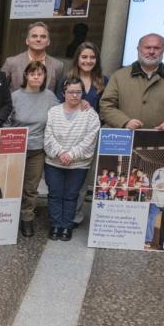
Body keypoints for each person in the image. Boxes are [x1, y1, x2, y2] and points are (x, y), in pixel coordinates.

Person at [99, 33, 164, 132]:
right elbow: (106, 105)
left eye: (157, 48)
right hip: (124, 138)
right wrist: (124, 122)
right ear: (138, 49)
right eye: (147, 47)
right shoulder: (119, 76)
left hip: (161, 139)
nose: (151, 51)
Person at [44, 76, 101, 240]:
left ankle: (66, 226)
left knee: (71, 195)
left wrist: (71, 154)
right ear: (64, 93)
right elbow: (48, 136)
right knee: (54, 194)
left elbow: (90, 139)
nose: (75, 95)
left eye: (78, 92)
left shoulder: (91, 115)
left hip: (78, 164)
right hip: (54, 162)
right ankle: (55, 225)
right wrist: (61, 153)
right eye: (71, 92)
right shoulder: (53, 112)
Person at [10, 62, 60, 237]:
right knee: (13, 186)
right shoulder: (15, 96)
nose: (36, 77)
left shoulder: (50, 97)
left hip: (37, 149)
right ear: (26, 76)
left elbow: (58, 118)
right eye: (33, 74)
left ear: (45, 77)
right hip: (15, 149)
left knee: (31, 188)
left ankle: (27, 219)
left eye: (40, 74)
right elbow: (6, 121)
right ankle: (8, 218)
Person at [2, 22, 64, 93]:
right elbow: (1, 91)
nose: (38, 39)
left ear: (48, 42)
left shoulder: (58, 66)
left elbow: (58, 94)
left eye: (43, 36)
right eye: (34, 36)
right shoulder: (11, 62)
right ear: (27, 41)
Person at [56, 42, 107, 110]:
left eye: (92, 57)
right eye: (84, 57)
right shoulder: (65, 80)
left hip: (95, 119)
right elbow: (59, 106)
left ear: (97, 60)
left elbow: (105, 108)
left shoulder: (104, 81)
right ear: (77, 59)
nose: (88, 61)